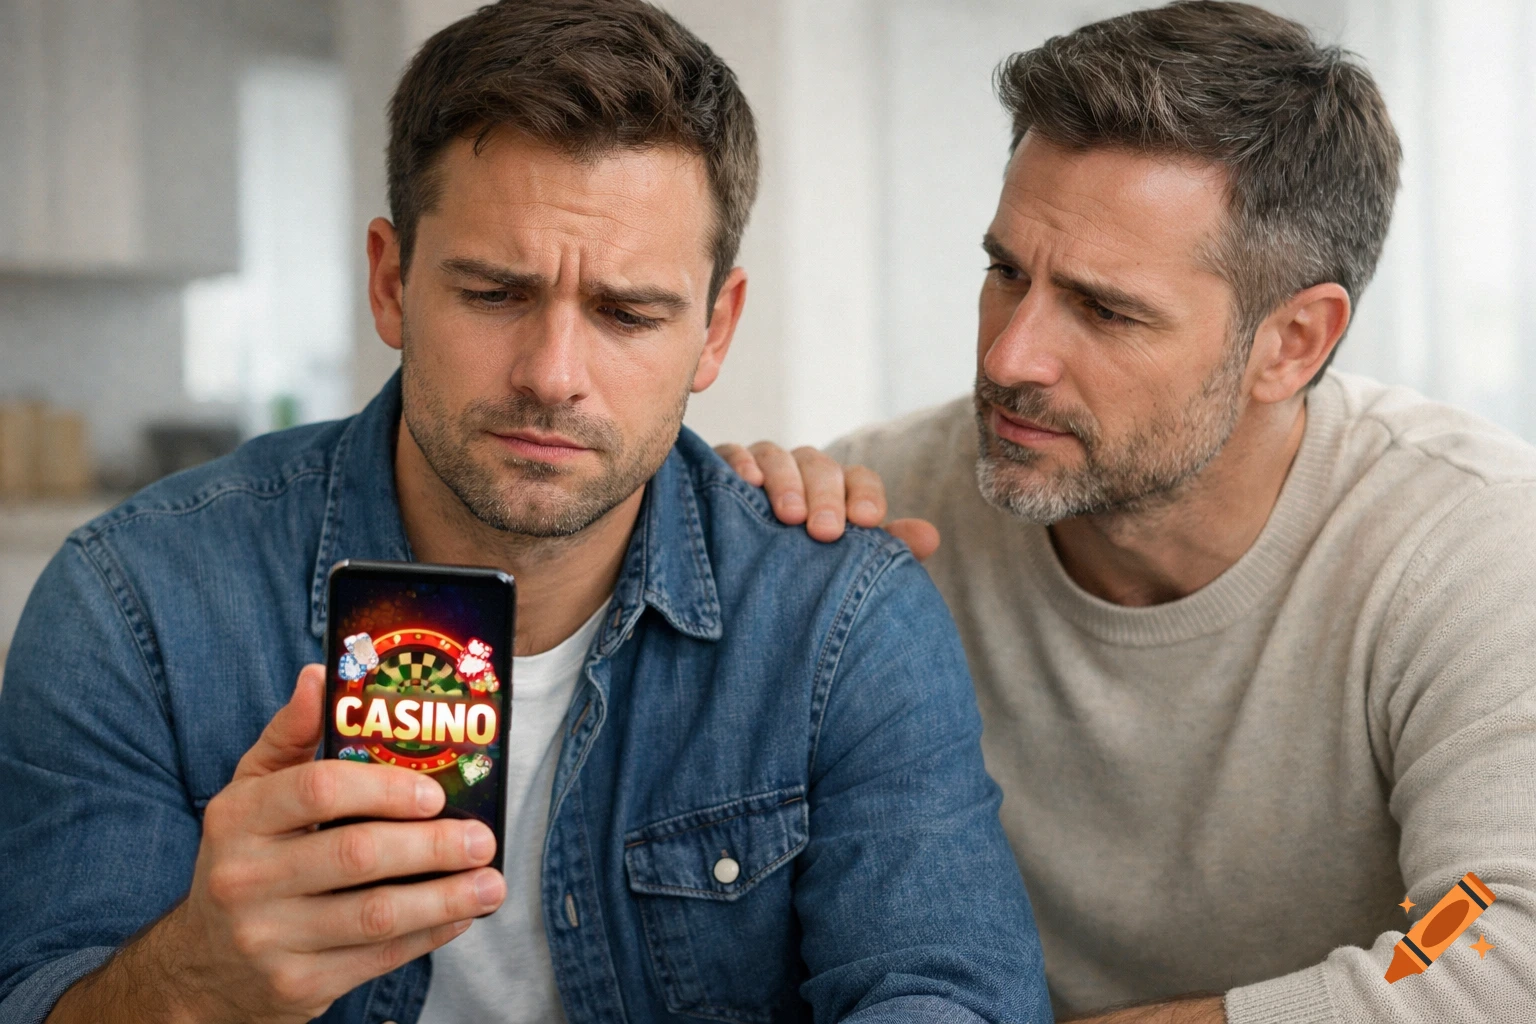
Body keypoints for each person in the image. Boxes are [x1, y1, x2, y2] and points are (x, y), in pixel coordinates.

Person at [0, 3, 1052, 1023]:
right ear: (391, 280)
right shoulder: (134, 605)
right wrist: (193, 981)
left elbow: (947, 993)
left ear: (715, 329)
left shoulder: (842, 622)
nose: (554, 376)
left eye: (628, 312)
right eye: (495, 293)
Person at [719, 3, 1536, 1022]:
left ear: (1293, 342)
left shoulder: (1470, 542)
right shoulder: (877, 515)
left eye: (1105, 309)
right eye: (1006, 272)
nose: (1010, 357)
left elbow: (1492, 942)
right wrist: (728, 546)